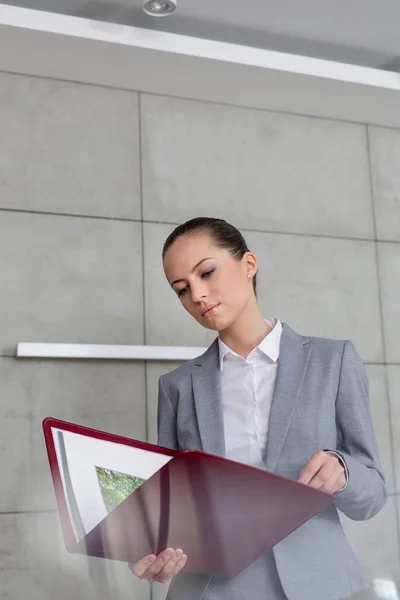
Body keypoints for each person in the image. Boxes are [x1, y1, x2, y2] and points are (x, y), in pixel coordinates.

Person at [130, 217, 387, 600]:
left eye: (207, 273)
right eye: (182, 289)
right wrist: (152, 550)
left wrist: (343, 472)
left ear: (248, 265)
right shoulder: (177, 387)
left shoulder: (332, 362)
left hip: (320, 584)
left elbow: (373, 495)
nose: (197, 295)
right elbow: (170, 509)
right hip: (212, 588)